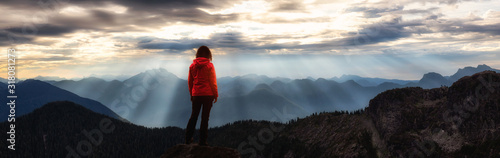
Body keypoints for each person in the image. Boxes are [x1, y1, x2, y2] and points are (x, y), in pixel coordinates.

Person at [185, 45, 218, 146]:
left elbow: (190, 82)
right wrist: (215, 94)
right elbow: (213, 82)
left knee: (194, 116)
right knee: (205, 118)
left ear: (197, 54)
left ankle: (188, 138)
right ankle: (202, 141)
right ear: (208, 54)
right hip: (208, 95)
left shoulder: (192, 66)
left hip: (196, 95)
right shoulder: (210, 66)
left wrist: (192, 94)